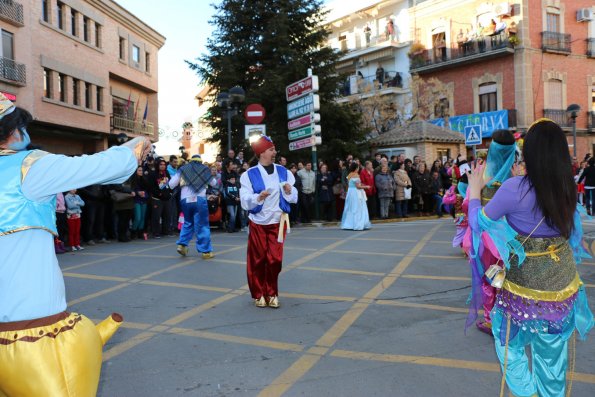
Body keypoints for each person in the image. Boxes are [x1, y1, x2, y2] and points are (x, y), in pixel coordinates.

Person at [0, 95, 152, 396]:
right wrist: (133, 148)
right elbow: (96, 167)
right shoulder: (28, 168)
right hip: (31, 338)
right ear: (14, 132)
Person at [467, 119, 593, 397]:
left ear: (530, 154)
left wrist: (474, 190)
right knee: (552, 358)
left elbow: (478, 223)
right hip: (562, 288)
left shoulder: (514, 188)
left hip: (522, 289)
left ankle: (527, 393)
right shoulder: (567, 188)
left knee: (507, 344)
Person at [465, 129, 517, 334]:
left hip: (487, 237)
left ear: (491, 149)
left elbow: (469, 206)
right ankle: (511, 316)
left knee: (489, 277)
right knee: (509, 278)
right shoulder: (517, 175)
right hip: (514, 237)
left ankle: (490, 318)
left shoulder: (482, 174)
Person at [240, 135, 298, 308]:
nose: (274, 152)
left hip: (278, 222)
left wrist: (289, 190)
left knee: (274, 260)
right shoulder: (249, 175)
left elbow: (294, 196)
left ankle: (271, 291)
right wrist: (258, 197)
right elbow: (244, 199)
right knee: (258, 260)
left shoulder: (284, 172)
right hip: (258, 222)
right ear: (262, 152)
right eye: (271, 149)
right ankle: (259, 294)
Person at [168, 155, 216, 258]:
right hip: (199, 199)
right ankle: (206, 251)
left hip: (185, 200)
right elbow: (214, 183)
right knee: (202, 225)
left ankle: (182, 245)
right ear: (200, 161)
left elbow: (171, 184)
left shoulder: (182, 169)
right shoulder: (204, 169)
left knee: (188, 222)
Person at [341, 162, 371, 230]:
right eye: (358, 167)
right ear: (356, 168)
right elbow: (358, 186)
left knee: (351, 207)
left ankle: (349, 224)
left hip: (350, 192)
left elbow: (351, 184)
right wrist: (366, 187)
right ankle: (358, 223)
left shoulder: (349, 175)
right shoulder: (356, 175)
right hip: (356, 193)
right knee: (358, 207)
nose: (358, 169)